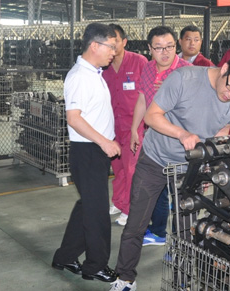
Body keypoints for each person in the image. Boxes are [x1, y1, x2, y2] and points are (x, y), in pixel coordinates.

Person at [110, 50, 230, 291]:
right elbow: (151, 116)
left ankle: (181, 280)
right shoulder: (184, 79)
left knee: (186, 230)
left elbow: (223, 127)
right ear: (225, 68)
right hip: (156, 159)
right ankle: (125, 278)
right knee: (136, 224)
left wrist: (211, 158)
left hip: (190, 168)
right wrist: (182, 134)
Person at [52, 22, 120, 283]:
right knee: (97, 212)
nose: (113, 52)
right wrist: (105, 142)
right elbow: (74, 118)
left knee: (88, 207)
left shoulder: (94, 73)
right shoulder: (80, 77)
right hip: (88, 150)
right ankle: (95, 266)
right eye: (110, 47)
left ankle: (65, 256)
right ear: (94, 45)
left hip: (94, 151)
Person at [129, 26, 191, 248]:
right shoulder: (147, 68)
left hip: (179, 145)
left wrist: (173, 89)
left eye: (170, 47)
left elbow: (195, 108)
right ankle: (158, 232)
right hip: (153, 144)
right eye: (158, 48)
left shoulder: (187, 71)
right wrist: (135, 129)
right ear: (149, 48)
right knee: (155, 192)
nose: (165, 53)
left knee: (181, 199)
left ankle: (180, 248)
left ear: (176, 45)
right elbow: (142, 99)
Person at [102, 24, 148, 226]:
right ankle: (119, 202)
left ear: (124, 42)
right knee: (118, 168)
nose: (112, 46)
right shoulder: (103, 66)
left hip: (133, 126)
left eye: (116, 41)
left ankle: (130, 209)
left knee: (131, 169)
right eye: (108, 42)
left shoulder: (139, 62)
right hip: (112, 126)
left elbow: (146, 95)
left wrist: (139, 127)